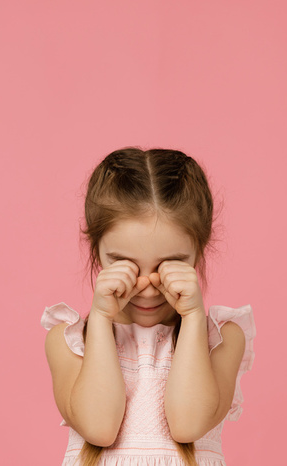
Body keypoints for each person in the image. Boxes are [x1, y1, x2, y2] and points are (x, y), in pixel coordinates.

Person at [41, 147, 255, 465]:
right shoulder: (70, 342)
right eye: (123, 262)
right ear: (96, 250)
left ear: (200, 249)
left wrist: (194, 317)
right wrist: (100, 319)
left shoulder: (221, 341)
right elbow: (100, 428)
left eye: (171, 263)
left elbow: (187, 425)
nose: (146, 284)